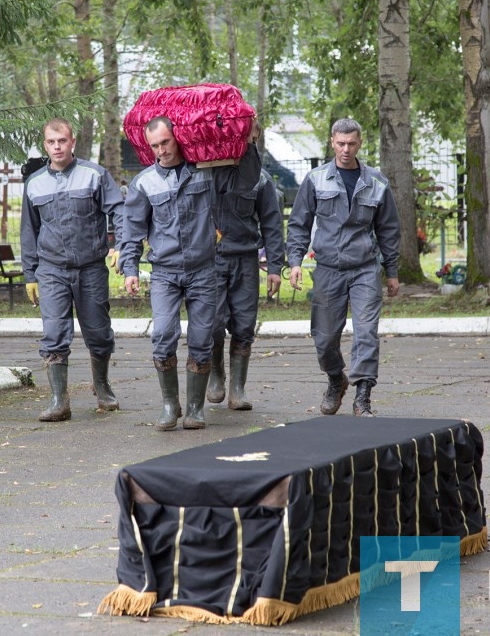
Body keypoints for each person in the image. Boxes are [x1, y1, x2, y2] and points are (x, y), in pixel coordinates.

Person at [119, 116, 261, 431]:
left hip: (203, 271)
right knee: (163, 335)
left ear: (178, 138)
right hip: (165, 273)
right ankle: (171, 405)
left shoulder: (205, 174)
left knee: (202, 338)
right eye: (154, 145)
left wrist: (248, 144)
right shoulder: (145, 183)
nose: (161, 151)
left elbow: (246, 181)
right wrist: (129, 267)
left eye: (165, 143)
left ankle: (195, 410)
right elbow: (132, 230)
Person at [286, 118, 401, 417]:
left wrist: (392, 272)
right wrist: (295, 262)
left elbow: (388, 229)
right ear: (331, 142)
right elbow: (299, 224)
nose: (346, 149)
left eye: (351, 144)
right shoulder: (316, 179)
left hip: (364, 269)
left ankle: (362, 396)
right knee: (324, 339)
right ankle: (336, 379)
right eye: (340, 143)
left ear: (360, 143)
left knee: (366, 333)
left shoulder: (376, 182)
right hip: (327, 269)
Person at [20, 117, 124, 422]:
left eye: (62, 141)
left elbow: (118, 210)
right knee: (53, 334)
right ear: (45, 144)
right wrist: (30, 275)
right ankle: (58, 400)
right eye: (51, 142)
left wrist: (119, 245)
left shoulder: (94, 175)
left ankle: (102, 385)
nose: (57, 147)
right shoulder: (34, 183)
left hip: (90, 268)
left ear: (72, 141)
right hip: (51, 270)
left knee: (99, 333)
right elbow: (29, 232)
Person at [207, 164, 285, 411]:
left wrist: (274, 267)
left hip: (245, 259)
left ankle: (237, 390)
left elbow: (272, 223)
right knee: (212, 323)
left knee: (244, 325)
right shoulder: (201, 172)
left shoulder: (259, 179)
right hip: (210, 261)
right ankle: (216, 373)